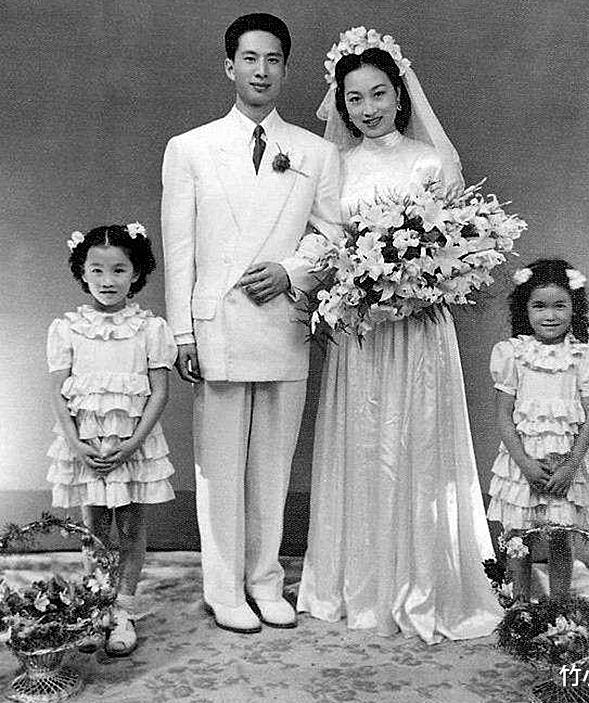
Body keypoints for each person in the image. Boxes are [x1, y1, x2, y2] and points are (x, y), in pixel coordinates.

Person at [298, 30, 502, 643]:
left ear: (400, 93)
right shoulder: (334, 166)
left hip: (418, 331)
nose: (368, 108)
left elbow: (458, 247)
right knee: (365, 444)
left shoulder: (429, 161)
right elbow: (326, 242)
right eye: (354, 97)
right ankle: (360, 584)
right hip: (362, 333)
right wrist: (357, 283)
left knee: (417, 442)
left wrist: (417, 282)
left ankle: (425, 581)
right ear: (341, 103)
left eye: (379, 93)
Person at [161, 13, 340, 634]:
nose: (261, 71)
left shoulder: (316, 152)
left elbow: (333, 233)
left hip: (282, 321)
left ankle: (265, 581)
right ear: (229, 66)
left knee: (273, 464)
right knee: (218, 469)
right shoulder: (190, 148)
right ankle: (224, 588)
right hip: (218, 325)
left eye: (273, 60)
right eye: (249, 59)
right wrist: (182, 332)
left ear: (285, 69)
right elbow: (180, 247)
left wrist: (292, 271)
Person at [47, 223, 177, 656]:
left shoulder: (150, 328)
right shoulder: (68, 328)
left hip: (132, 445)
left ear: (135, 273)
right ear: (82, 272)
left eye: (119, 270)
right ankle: (96, 606)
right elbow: (57, 393)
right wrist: (75, 443)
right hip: (87, 445)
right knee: (95, 529)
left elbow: (159, 391)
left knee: (132, 527)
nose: (107, 280)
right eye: (97, 270)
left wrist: (134, 443)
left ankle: (123, 609)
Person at [486, 259, 589, 601]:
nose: (549, 315)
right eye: (539, 306)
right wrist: (525, 464)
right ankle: (521, 608)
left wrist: (571, 466)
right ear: (525, 309)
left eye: (560, 305)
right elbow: (504, 416)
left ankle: (558, 608)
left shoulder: (586, 356)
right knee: (518, 540)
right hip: (522, 462)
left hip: (566, 464)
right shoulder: (512, 354)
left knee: (560, 537)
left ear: (574, 308)